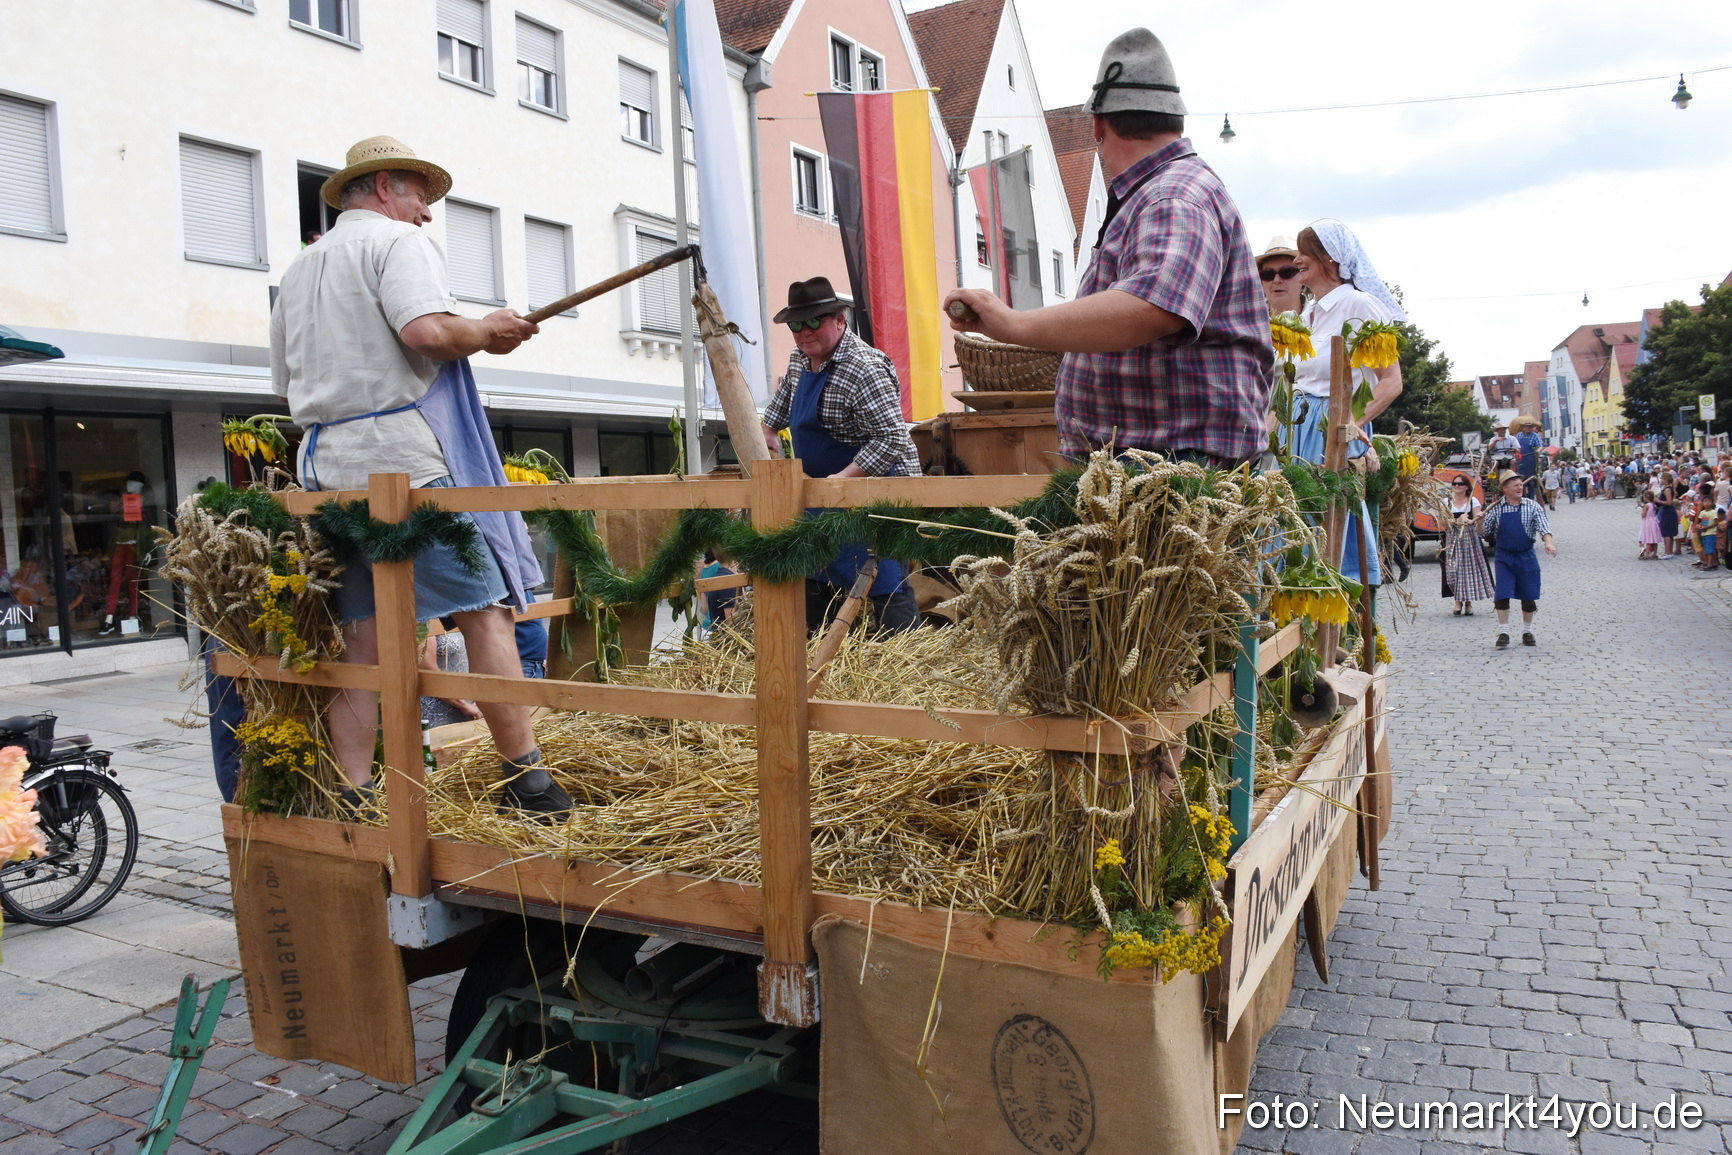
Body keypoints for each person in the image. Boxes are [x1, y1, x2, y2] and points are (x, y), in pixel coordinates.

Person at [269, 135, 570, 817]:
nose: (427, 215)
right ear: (382, 187)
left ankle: (353, 795)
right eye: (419, 197)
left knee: (360, 634)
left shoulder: (299, 268)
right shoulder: (395, 246)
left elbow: (287, 391)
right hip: (402, 463)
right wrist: (485, 329)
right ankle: (529, 781)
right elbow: (427, 332)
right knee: (485, 610)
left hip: (322, 467)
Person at [941, 27, 1272, 467]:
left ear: (1098, 123)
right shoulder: (1161, 193)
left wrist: (1015, 325)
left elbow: (1154, 305)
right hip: (1158, 463)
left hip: (1173, 466)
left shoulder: (1172, 195)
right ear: (1175, 119)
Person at [759, 277, 922, 634]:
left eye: (814, 321)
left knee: (884, 581)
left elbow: (892, 438)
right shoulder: (799, 360)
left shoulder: (864, 367)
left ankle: (904, 662)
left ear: (838, 319)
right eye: (796, 325)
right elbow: (774, 418)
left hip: (874, 494)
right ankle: (817, 658)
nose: (805, 332)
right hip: (821, 494)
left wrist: (841, 482)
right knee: (816, 574)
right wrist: (766, 438)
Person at [1286, 220, 1406, 586]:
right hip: (1297, 431)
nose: (1296, 258)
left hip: (1332, 429)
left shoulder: (1358, 304)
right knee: (1297, 539)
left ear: (1330, 258)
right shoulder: (1305, 314)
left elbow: (1391, 382)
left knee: (1335, 537)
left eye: (1305, 251)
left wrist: (1349, 424)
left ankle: (1345, 632)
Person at [1483, 472, 1557, 648]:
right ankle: (1504, 632)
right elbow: (1484, 532)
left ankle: (1527, 631)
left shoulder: (1532, 506)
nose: (1519, 487)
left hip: (1526, 555)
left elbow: (1544, 527)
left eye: (1520, 484)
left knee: (1528, 594)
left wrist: (1549, 543)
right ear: (1504, 489)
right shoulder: (1496, 508)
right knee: (1502, 594)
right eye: (1514, 484)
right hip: (1504, 556)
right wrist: (1479, 522)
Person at [1442, 476, 1494, 616]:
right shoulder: (1446, 501)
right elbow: (1442, 522)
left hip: (1470, 540)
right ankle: (1458, 599)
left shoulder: (1472, 501)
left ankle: (1466, 602)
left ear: (1466, 487)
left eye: (1460, 484)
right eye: (1454, 483)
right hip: (1452, 540)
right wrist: (1457, 520)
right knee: (1454, 570)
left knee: (1467, 572)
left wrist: (1478, 520)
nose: (1457, 486)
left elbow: (1479, 527)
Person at [1257, 236, 1304, 316]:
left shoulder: (1322, 319)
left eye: (1286, 272)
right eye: (1268, 274)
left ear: (1303, 275)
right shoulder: (1245, 321)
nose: (1276, 280)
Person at [1656, 470, 1680, 557]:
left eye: (1662, 478)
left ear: (1665, 479)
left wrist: (1658, 500)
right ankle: (1670, 552)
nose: (1661, 480)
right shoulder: (1670, 488)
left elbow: (1669, 502)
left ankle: (1667, 552)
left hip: (1667, 511)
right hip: (1668, 511)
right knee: (1669, 532)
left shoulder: (1667, 489)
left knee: (1666, 532)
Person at [1637, 491, 1662, 559]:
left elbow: (1643, 515)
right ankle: (1655, 553)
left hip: (1648, 522)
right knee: (1654, 539)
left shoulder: (1647, 505)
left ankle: (1646, 554)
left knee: (1649, 539)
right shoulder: (1654, 505)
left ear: (1647, 497)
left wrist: (1642, 511)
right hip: (1654, 521)